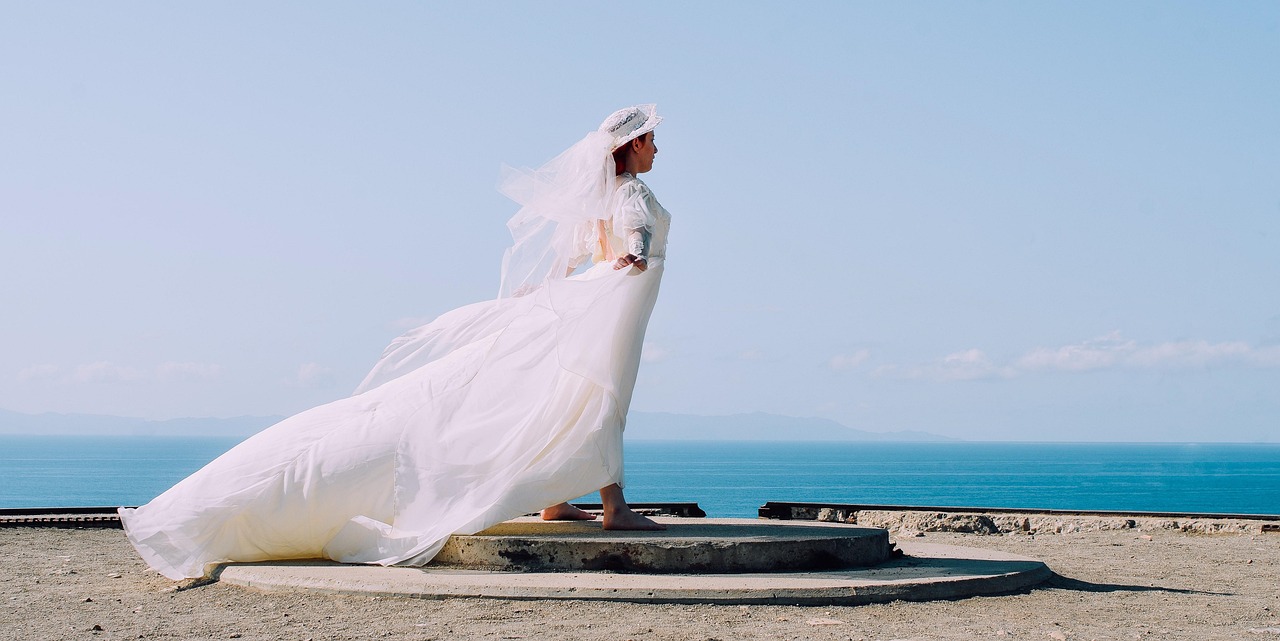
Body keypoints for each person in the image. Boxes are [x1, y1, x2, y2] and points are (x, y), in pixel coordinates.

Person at [118, 104, 673, 580]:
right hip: (613, 301)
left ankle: (556, 498)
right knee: (601, 391)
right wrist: (636, 255)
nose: (657, 148)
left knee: (564, 388)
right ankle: (613, 507)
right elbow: (635, 235)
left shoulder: (599, 196)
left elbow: (575, 254)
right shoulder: (632, 190)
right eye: (651, 139)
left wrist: (588, 272)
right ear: (633, 144)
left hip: (597, 297)